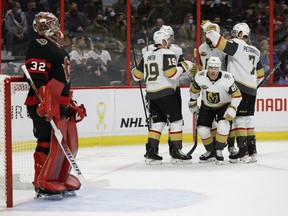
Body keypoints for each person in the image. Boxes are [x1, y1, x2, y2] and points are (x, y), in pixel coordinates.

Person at [24, 12, 86, 198]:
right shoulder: (39, 45)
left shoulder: (57, 47)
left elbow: (61, 80)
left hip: (59, 104)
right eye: (53, 24)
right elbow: (37, 78)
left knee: (61, 144)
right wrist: (46, 102)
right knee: (46, 141)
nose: (57, 27)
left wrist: (69, 101)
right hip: (45, 104)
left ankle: (58, 176)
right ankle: (42, 181)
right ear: (44, 26)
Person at [201, 21, 264, 163]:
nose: (233, 34)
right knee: (248, 119)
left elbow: (219, 43)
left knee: (239, 120)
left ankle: (242, 151)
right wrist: (252, 85)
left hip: (239, 87)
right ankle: (252, 151)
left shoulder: (237, 45)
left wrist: (209, 30)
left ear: (242, 34)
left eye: (235, 32)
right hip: (251, 89)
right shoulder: (256, 50)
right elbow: (260, 75)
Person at [132, 30, 194, 165]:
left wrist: (133, 69)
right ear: (164, 41)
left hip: (151, 94)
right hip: (165, 93)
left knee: (157, 123)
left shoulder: (147, 54)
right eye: (168, 40)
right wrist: (184, 66)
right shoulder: (167, 53)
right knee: (176, 121)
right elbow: (171, 74)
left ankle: (151, 153)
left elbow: (136, 75)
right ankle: (176, 152)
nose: (170, 42)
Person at [188, 56, 242, 164]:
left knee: (223, 127)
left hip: (223, 105)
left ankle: (219, 151)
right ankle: (210, 151)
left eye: (216, 68)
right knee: (202, 130)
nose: (213, 70)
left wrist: (232, 108)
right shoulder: (200, 76)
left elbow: (237, 95)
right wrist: (192, 102)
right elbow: (194, 90)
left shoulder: (227, 79)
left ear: (219, 68)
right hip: (207, 106)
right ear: (207, 67)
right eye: (211, 67)